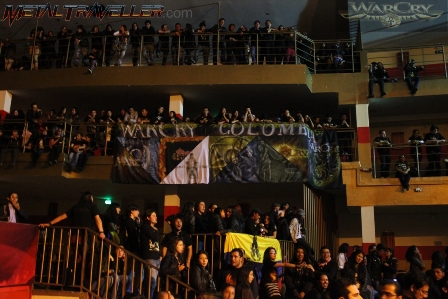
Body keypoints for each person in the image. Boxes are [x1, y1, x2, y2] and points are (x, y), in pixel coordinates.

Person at [38, 191, 106, 239]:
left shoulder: (76, 207)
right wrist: (101, 232)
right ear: (91, 198)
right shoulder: (92, 206)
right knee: (85, 253)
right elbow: (97, 219)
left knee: (76, 253)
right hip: (85, 234)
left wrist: (49, 223)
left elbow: (62, 216)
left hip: (74, 233)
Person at [140, 209, 161, 299]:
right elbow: (154, 237)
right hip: (150, 257)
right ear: (148, 217)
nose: (156, 217)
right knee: (151, 282)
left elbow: (157, 242)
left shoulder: (155, 229)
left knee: (154, 282)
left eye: (156, 215)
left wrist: (160, 256)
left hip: (156, 258)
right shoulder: (146, 227)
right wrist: (155, 231)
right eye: (153, 215)